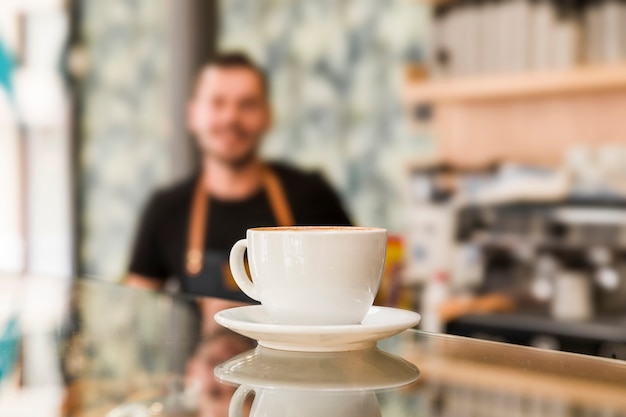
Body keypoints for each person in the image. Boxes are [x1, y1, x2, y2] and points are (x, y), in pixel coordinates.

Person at [126, 52, 351, 306]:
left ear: (267, 116)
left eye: (247, 104)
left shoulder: (311, 195)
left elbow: (357, 287)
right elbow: (136, 311)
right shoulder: (166, 208)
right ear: (193, 115)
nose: (231, 118)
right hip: (199, 346)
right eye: (217, 103)